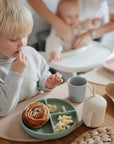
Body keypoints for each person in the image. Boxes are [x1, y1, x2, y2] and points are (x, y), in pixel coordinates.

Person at [0, 0, 63, 116]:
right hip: (9, 122)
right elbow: (3, 109)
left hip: (37, 112)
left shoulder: (31, 53)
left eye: (25, 36)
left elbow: (42, 75)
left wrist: (47, 82)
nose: (22, 44)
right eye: (14, 39)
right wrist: (15, 73)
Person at [27, 0, 114, 48]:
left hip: (93, 24)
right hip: (63, 23)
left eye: (76, 16)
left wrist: (91, 33)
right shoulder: (58, 30)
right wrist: (57, 23)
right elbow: (53, 42)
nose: (73, 19)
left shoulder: (84, 23)